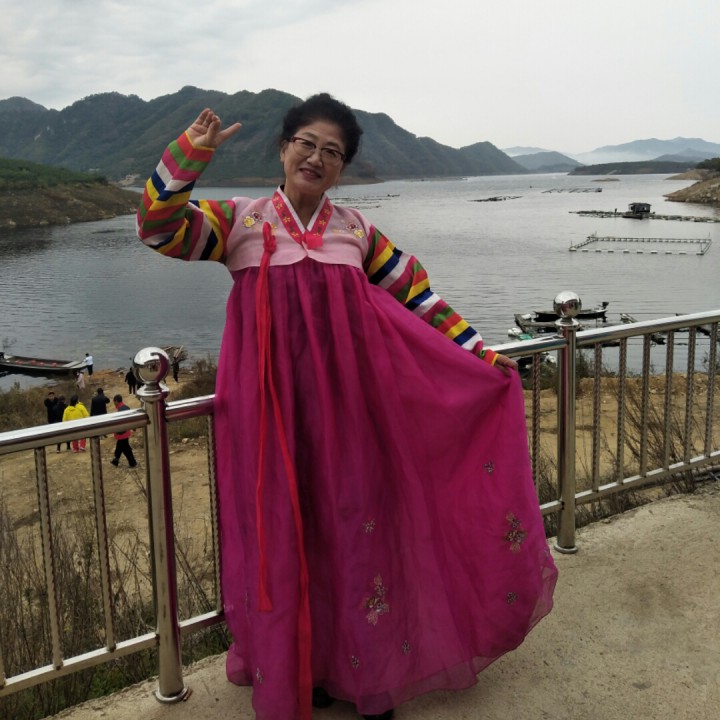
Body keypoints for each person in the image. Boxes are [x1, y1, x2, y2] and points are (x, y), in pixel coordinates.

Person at [137, 95, 557, 720]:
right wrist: (191, 153)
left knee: (359, 536)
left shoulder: (356, 232)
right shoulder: (240, 223)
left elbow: (419, 299)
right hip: (269, 418)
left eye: (332, 152)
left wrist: (479, 355)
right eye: (306, 143)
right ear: (283, 149)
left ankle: (369, 675)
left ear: (342, 168)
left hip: (354, 417)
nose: (316, 157)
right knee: (287, 537)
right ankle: (305, 670)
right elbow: (158, 227)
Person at [110, 394, 137, 468]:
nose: (114, 404)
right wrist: (133, 427)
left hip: (122, 433)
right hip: (126, 431)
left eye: (114, 402)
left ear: (116, 401)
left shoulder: (120, 410)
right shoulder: (126, 407)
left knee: (121, 447)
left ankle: (117, 460)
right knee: (125, 448)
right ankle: (131, 462)